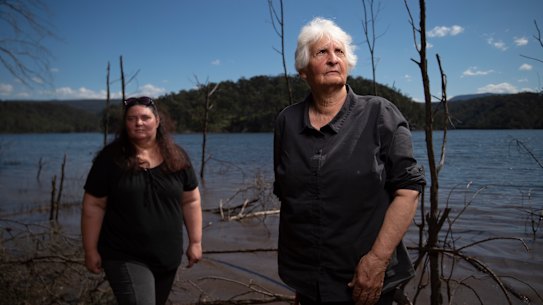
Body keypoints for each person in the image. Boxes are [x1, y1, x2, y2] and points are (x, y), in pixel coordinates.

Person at [273, 17, 425, 305]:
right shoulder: (287, 121)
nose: (333, 59)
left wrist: (377, 260)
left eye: (339, 52)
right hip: (307, 282)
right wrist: (304, 281)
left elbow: (408, 191)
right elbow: (289, 196)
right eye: (322, 53)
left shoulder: (380, 113)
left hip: (364, 281)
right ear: (303, 70)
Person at [81, 96, 202, 305]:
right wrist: (90, 250)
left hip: (167, 256)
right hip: (124, 254)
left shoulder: (177, 157)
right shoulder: (110, 159)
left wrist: (195, 242)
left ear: (157, 120)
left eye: (145, 117)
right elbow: (93, 206)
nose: (138, 123)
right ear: (125, 123)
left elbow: (190, 201)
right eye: (131, 118)